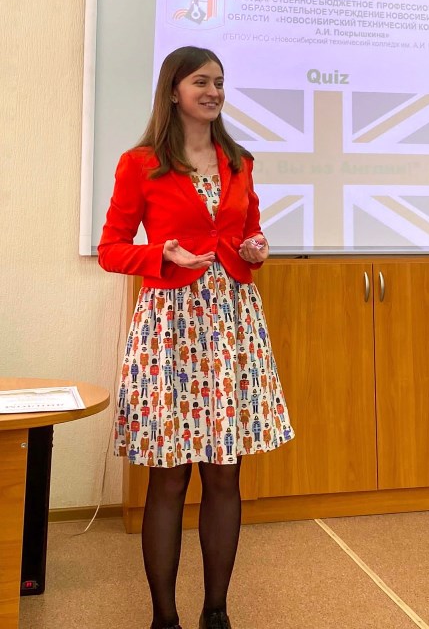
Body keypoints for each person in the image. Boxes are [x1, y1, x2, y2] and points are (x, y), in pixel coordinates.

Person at [98, 46, 295, 629]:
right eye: (201, 82)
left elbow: (249, 230)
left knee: (224, 471)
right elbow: (111, 250)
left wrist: (254, 247)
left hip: (232, 323)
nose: (213, 92)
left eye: (219, 83)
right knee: (169, 474)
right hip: (171, 326)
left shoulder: (239, 160)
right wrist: (161, 253)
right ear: (174, 91)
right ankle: (164, 618)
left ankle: (216, 611)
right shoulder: (140, 163)